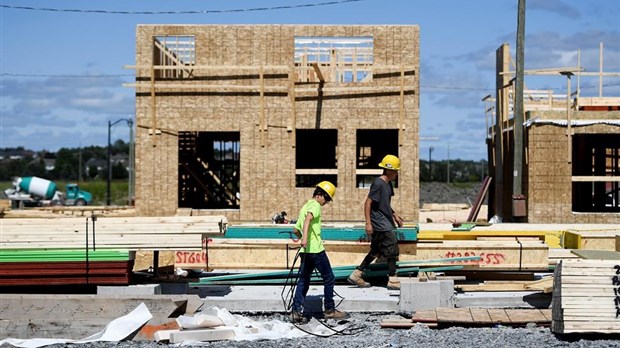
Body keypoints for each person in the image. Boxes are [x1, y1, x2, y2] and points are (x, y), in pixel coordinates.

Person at [290, 181, 347, 323]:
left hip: (306, 251)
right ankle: (329, 310)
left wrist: (302, 240)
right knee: (329, 278)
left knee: (304, 280)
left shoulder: (304, 206)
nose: (326, 203)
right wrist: (305, 239)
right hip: (316, 250)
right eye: (327, 199)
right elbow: (308, 219)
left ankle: (296, 311)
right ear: (320, 195)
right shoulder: (315, 206)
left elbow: (295, 229)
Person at [348, 154, 404, 290]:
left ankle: (357, 274)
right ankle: (393, 279)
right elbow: (368, 203)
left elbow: (384, 203)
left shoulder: (388, 184)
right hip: (379, 222)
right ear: (389, 170)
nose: (397, 173)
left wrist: (394, 214)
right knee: (392, 247)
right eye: (396, 170)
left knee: (376, 250)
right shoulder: (378, 183)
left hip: (385, 220)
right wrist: (368, 223)